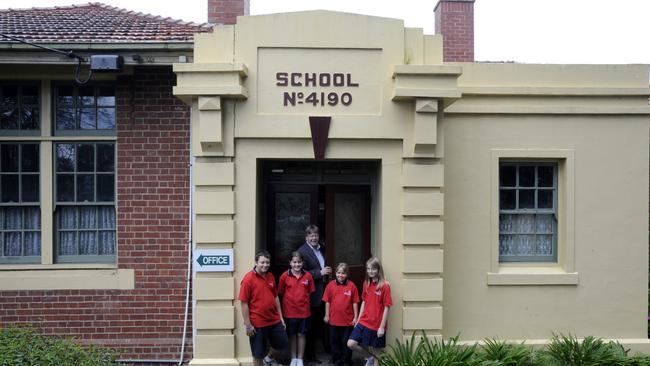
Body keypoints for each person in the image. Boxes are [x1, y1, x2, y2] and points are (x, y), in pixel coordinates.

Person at [239, 250, 288, 366]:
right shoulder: (248, 279)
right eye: (262, 262)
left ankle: (268, 359)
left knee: (282, 343)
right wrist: (248, 325)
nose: (265, 265)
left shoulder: (270, 276)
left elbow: (275, 297)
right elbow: (244, 303)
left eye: (267, 262)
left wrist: (280, 317)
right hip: (257, 323)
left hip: (274, 320)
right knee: (257, 353)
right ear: (256, 262)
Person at [347, 257, 392, 366]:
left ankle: (373, 359)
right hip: (364, 321)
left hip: (377, 325)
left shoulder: (384, 286)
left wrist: (382, 327)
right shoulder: (366, 283)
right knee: (351, 343)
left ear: (378, 269)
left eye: (373, 269)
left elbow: (387, 307)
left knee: (377, 354)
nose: (370, 271)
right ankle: (368, 357)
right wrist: (358, 319)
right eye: (368, 269)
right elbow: (364, 302)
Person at [297, 225, 332, 361]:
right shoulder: (302, 251)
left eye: (316, 235)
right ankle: (309, 356)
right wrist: (319, 273)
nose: (314, 238)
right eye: (311, 235)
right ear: (306, 237)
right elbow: (300, 272)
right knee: (311, 326)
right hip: (312, 294)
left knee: (325, 322)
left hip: (326, 291)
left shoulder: (323, 249)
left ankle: (327, 349)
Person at [278, 251, 315, 366]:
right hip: (289, 312)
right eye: (294, 262)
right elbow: (281, 292)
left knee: (301, 335)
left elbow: (310, 291)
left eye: (299, 262)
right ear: (290, 263)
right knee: (292, 335)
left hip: (304, 312)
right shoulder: (285, 276)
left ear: (302, 263)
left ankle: (300, 359)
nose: (297, 265)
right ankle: (293, 358)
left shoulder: (308, 275)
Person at [323, 263, 359, 366]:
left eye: (343, 273)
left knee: (345, 342)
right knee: (335, 341)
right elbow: (327, 301)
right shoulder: (330, 285)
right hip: (334, 320)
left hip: (347, 321)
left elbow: (355, 303)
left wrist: (356, 317)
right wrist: (326, 315)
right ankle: (337, 360)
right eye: (338, 273)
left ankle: (347, 360)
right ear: (335, 273)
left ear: (347, 274)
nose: (340, 275)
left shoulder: (352, 286)